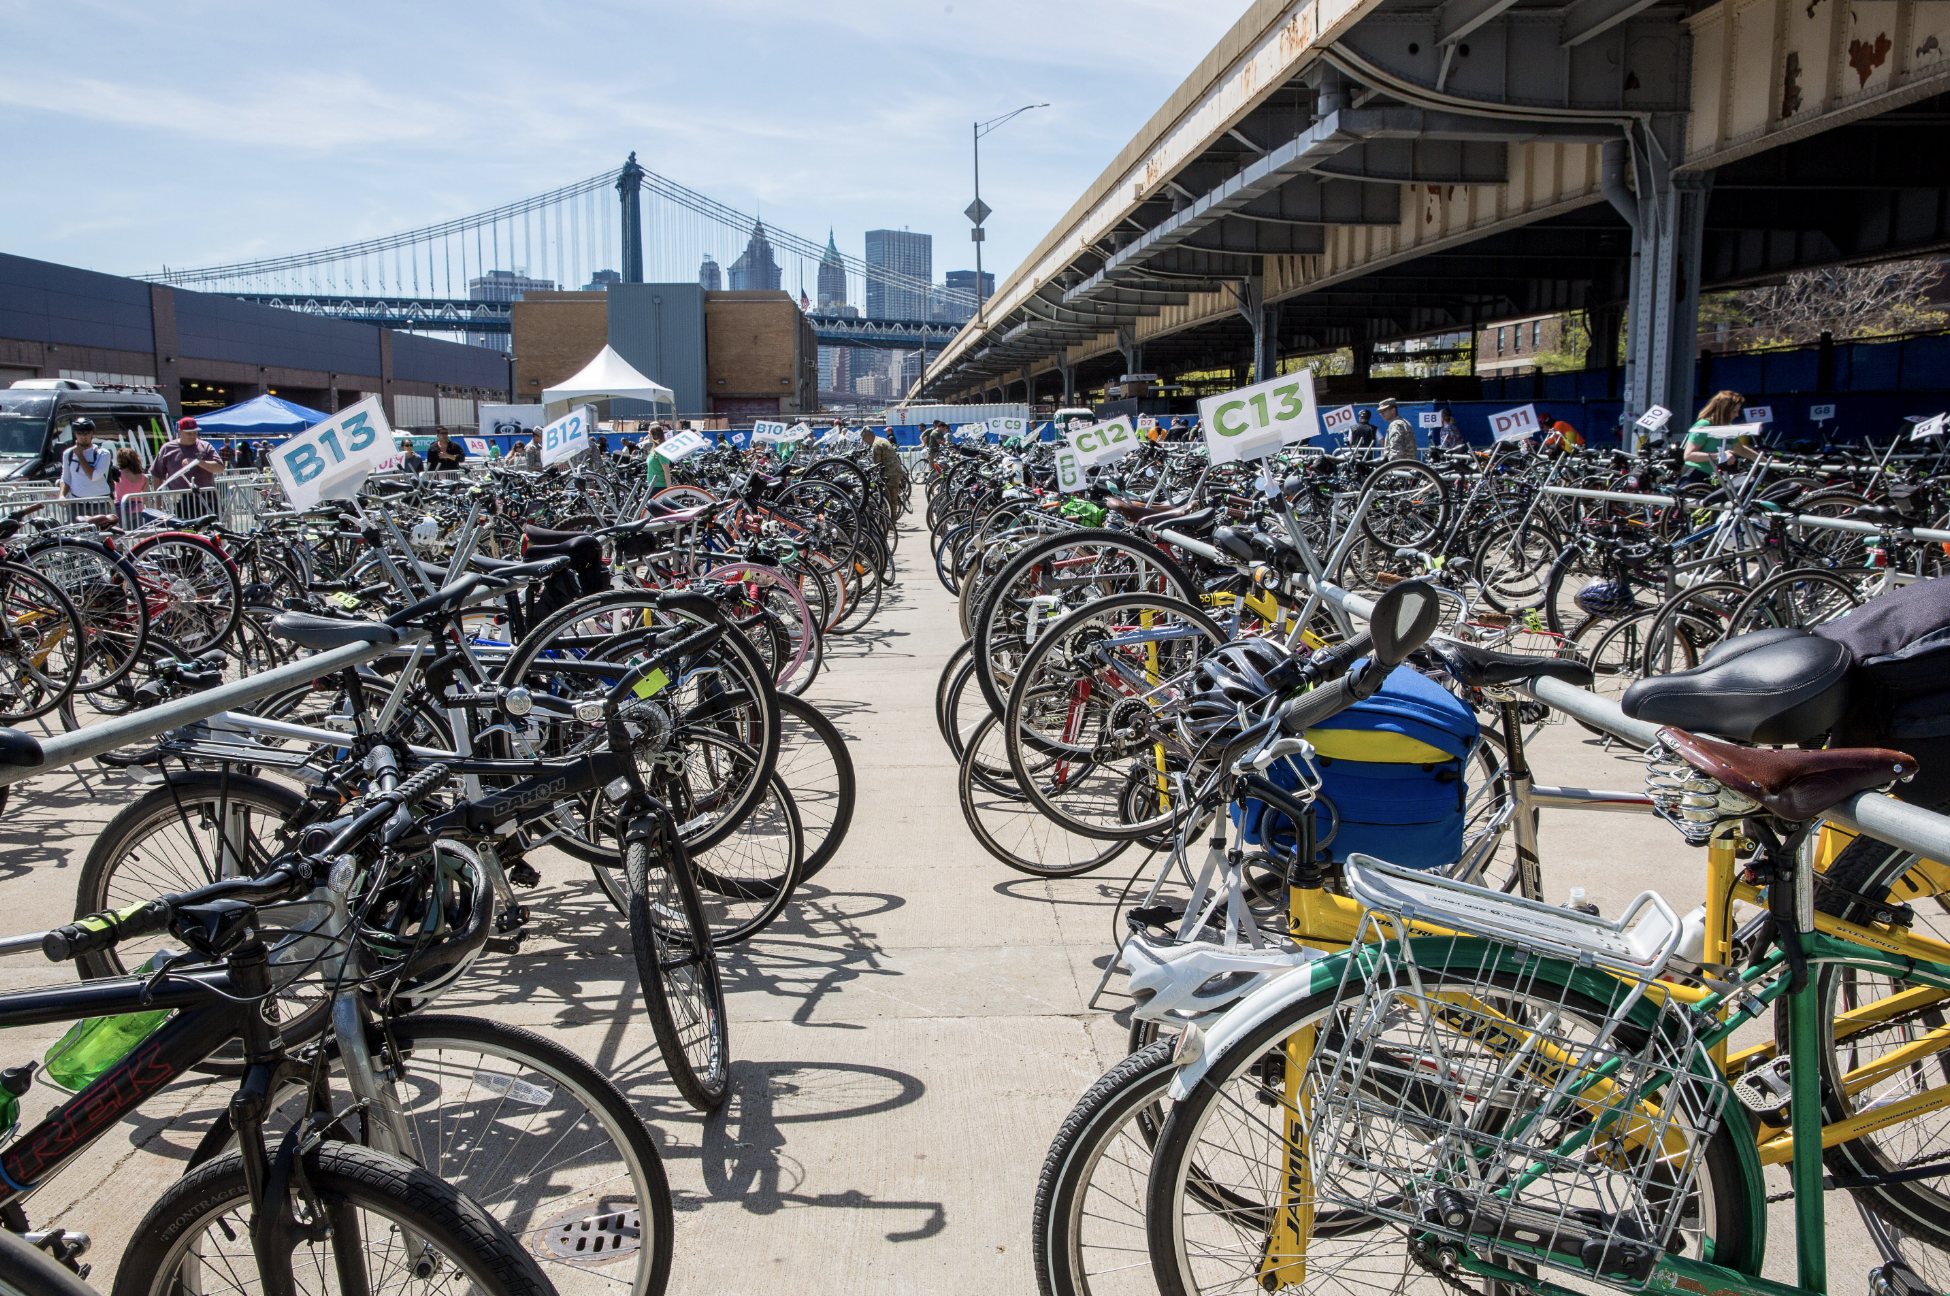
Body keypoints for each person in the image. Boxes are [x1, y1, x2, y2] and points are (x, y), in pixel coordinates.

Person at [1683, 390, 1758, 480]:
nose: (1737, 415)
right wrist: (1720, 455)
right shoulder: (1704, 425)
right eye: (1734, 411)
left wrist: (1768, 461)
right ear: (1724, 410)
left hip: (1713, 474)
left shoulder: (1727, 426)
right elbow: (1688, 455)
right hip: (1696, 473)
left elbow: (1740, 450)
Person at [150, 417, 224, 496]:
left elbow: (220, 468)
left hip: (206, 496)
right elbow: (157, 475)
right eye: (189, 433)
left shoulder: (205, 446)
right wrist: (158, 502)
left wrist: (197, 462)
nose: (192, 436)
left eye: (194, 433)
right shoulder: (167, 448)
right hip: (180, 499)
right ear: (179, 432)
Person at [59, 418, 115, 500]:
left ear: (92, 433)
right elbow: (65, 478)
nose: (83, 436)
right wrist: (62, 495)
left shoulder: (102, 453)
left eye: (87, 433)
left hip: (99, 501)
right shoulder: (68, 453)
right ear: (75, 434)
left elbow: (94, 476)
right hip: (76, 501)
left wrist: (79, 455)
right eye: (79, 433)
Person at [862, 424, 907, 519]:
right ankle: (892, 520)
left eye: (865, 440)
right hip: (895, 470)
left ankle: (890, 520)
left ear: (868, 437)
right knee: (893, 498)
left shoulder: (876, 445)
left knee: (889, 499)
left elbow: (877, 463)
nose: (865, 442)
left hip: (890, 473)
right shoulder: (882, 440)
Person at [644, 425, 669, 492]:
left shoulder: (660, 450)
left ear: (655, 435)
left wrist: (669, 490)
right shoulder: (654, 450)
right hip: (652, 484)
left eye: (649, 434)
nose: (648, 436)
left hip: (659, 486)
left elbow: (666, 470)